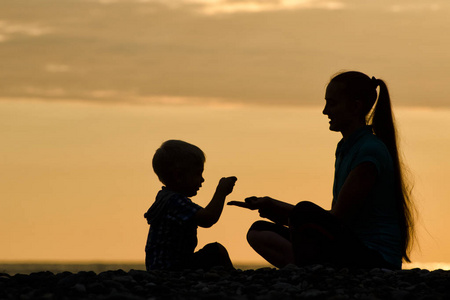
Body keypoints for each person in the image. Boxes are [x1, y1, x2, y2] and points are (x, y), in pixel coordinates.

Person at [228, 71, 415, 270]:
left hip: (374, 258)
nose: (325, 111)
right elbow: (328, 222)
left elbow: (337, 218)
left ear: (356, 106)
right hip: (346, 245)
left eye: (332, 103)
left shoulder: (369, 151)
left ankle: (311, 269)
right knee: (258, 232)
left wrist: (280, 208)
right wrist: (271, 207)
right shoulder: (347, 147)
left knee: (303, 210)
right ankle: (312, 268)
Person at [144, 139, 237, 270]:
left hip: (160, 267)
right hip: (171, 268)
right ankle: (234, 282)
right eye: (198, 173)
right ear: (178, 176)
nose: (202, 179)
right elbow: (208, 218)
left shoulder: (165, 198)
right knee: (216, 251)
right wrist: (221, 192)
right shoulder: (174, 201)